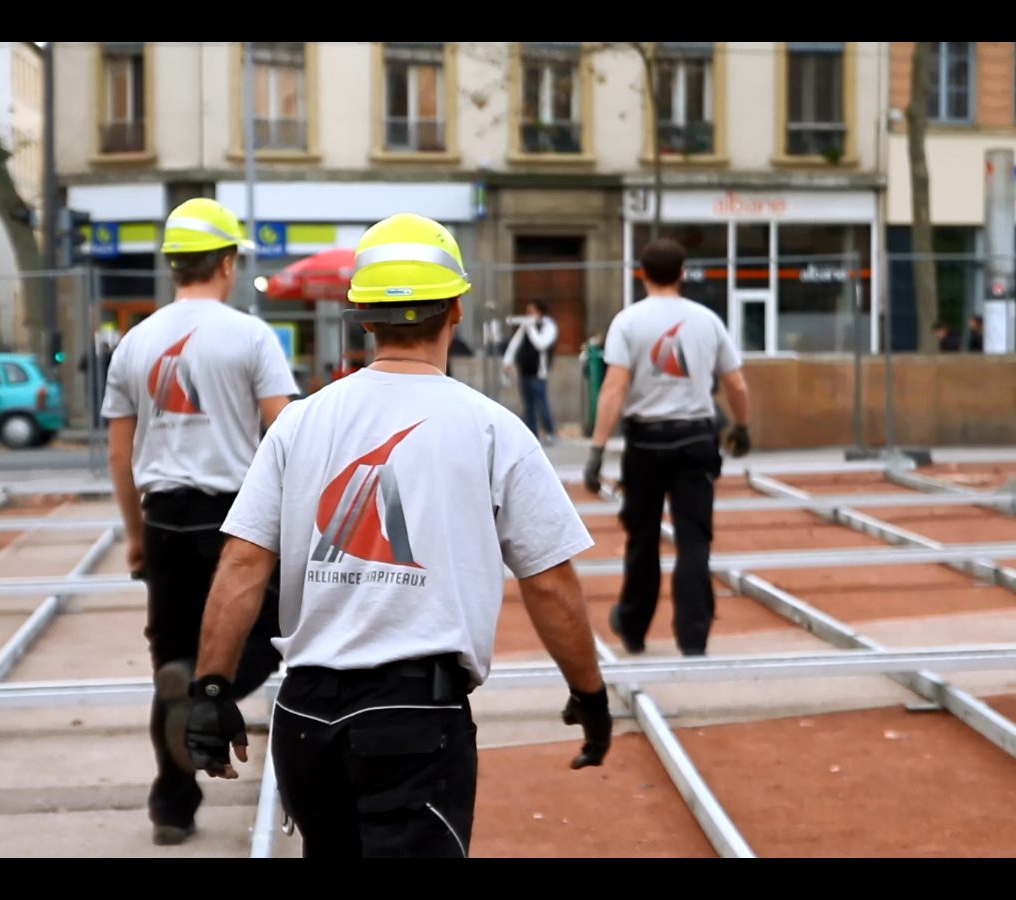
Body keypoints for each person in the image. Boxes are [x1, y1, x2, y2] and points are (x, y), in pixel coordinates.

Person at [182, 212, 612, 859]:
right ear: (456, 311)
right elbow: (549, 583)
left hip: (305, 718)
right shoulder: (491, 429)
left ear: (361, 314)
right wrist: (589, 692)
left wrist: (211, 690)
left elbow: (243, 562)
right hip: (414, 722)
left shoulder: (302, 423)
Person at [100, 197, 300, 846]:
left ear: (173, 265)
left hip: (163, 519)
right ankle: (215, 694)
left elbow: (119, 452)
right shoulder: (249, 336)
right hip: (231, 518)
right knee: (269, 630)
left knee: (174, 659)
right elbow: (286, 427)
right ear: (226, 260)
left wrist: (134, 535)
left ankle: (172, 808)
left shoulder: (135, 339)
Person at [583, 238, 751, 657]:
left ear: (641, 273)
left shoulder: (628, 321)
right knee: (694, 539)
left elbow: (615, 386)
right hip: (696, 437)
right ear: (682, 273)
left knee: (643, 538)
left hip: (645, 442)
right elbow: (735, 382)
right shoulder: (707, 320)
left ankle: (634, 626)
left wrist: (597, 449)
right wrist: (743, 425)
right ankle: (693, 636)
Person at [503, 300, 559, 443]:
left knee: (541, 403)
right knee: (528, 406)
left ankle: (549, 432)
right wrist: (507, 361)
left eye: (532, 312)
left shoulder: (549, 326)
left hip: (539, 373)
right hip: (525, 370)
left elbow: (540, 344)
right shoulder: (526, 326)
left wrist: (532, 327)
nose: (529, 315)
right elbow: (515, 343)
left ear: (539, 312)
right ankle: (532, 434)